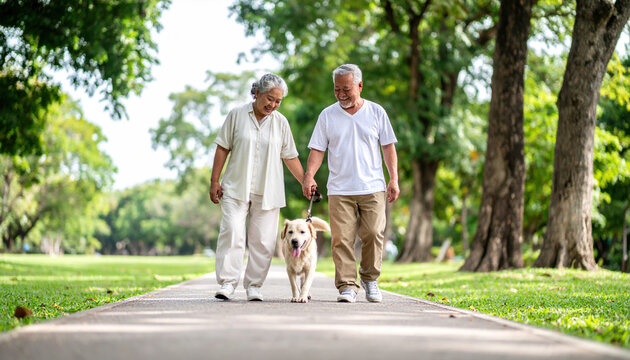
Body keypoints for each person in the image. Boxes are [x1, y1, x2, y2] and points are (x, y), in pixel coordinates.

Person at [302, 64, 399, 303]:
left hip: (372, 186)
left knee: (374, 233)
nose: (341, 94)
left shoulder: (376, 112)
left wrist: (393, 178)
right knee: (341, 239)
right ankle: (347, 285)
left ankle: (370, 278)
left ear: (360, 85)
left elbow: (388, 147)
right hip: (340, 189)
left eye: (346, 89)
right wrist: (309, 176)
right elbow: (317, 150)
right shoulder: (327, 115)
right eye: (337, 89)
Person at [209, 73, 304, 301]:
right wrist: (214, 180)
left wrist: (306, 181)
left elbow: (290, 157)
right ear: (257, 92)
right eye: (269, 98)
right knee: (232, 231)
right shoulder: (237, 115)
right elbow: (222, 148)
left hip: (268, 189)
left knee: (263, 240)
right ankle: (228, 283)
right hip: (235, 185)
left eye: (278, 101)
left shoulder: (281, 122)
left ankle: (254, 286)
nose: (273, 105)